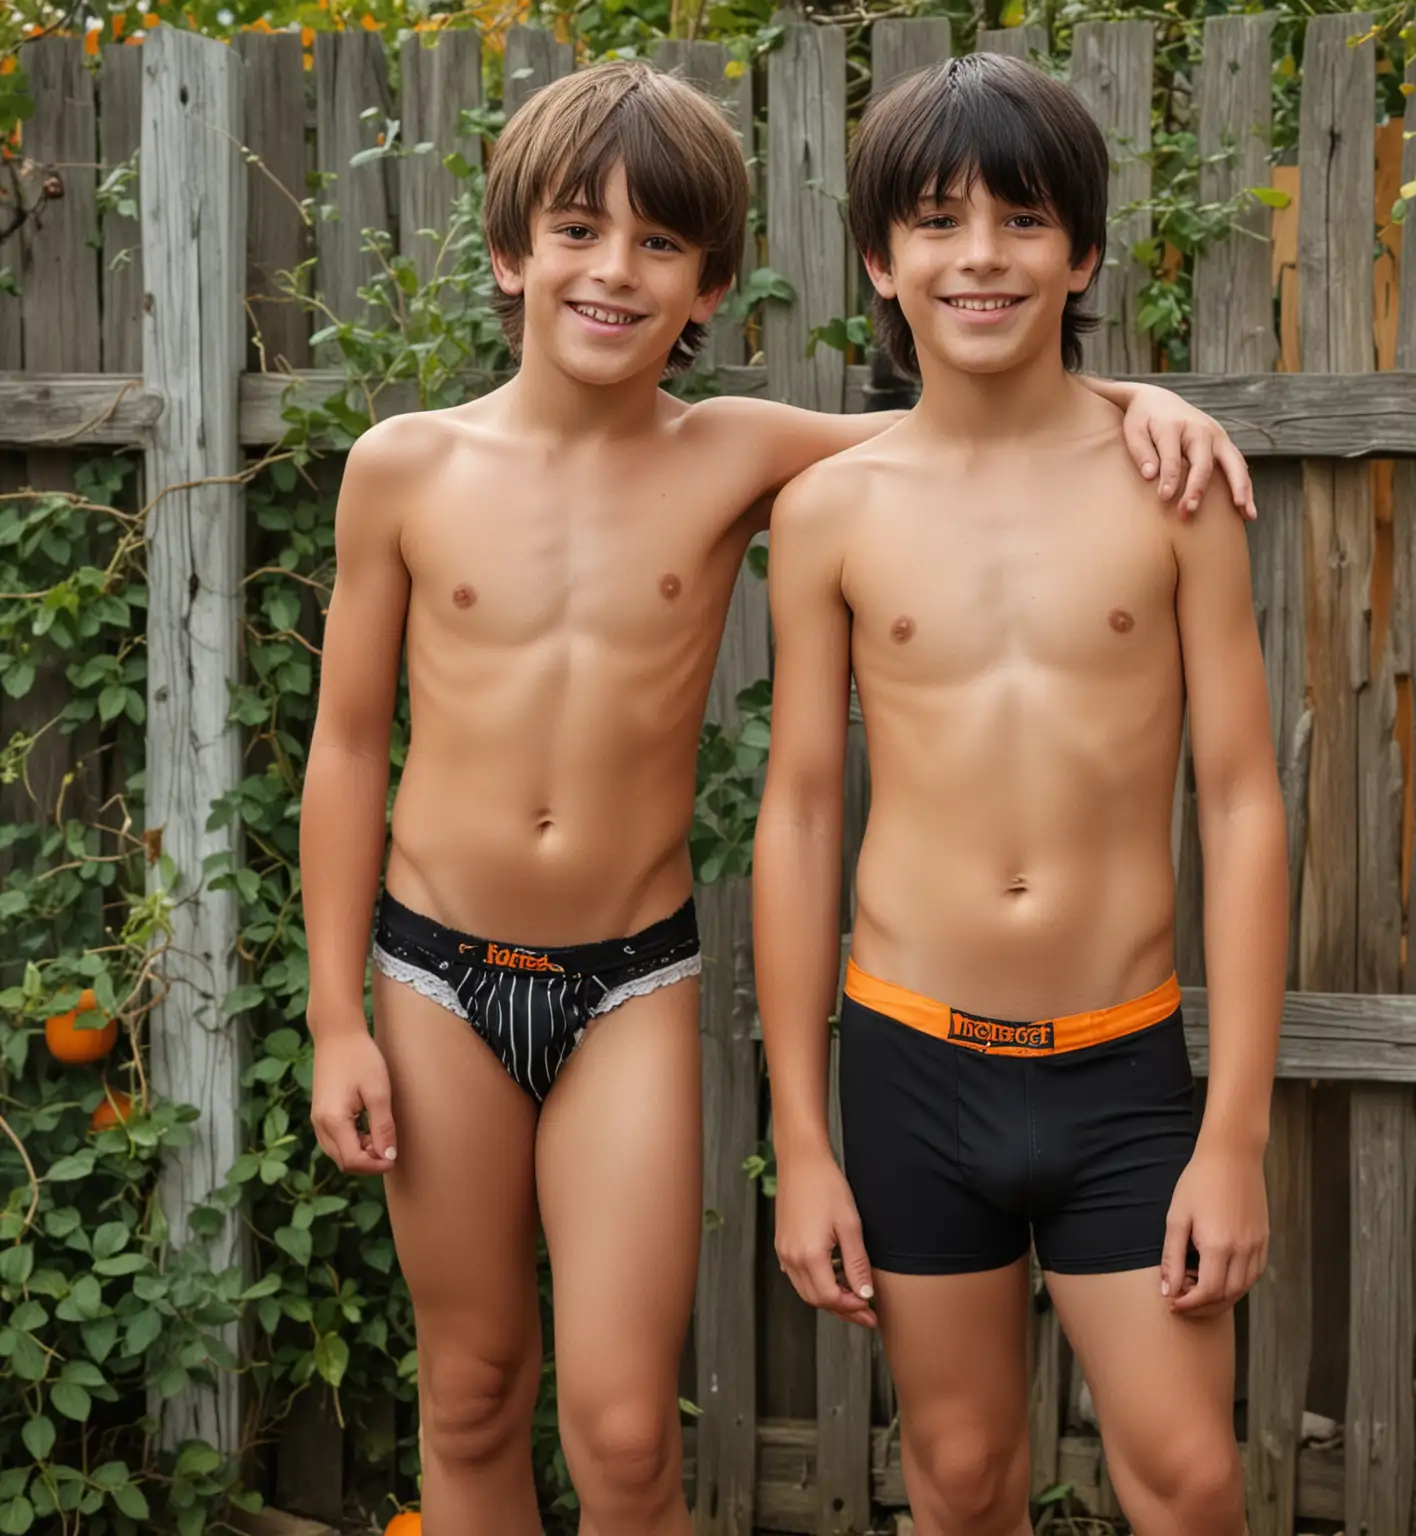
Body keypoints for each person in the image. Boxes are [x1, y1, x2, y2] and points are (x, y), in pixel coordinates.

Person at [299, 57, 1260, 1536]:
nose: (614, 271)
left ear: (709, 288)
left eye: (661, 244)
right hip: (432, 975)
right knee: (474, 1387)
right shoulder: (405, 468)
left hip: (633, 978)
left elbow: (979, 418)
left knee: (625, 1437)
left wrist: (1143, 396)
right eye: (574, 231)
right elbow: (349, 746)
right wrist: (333, 1011)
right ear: (509, 252)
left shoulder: (746, 455)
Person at [754, 53, 1287, 1536]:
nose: (980, 254)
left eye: (1023, 219)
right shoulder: (829, 511)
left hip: (1122, 1070)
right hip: (914, 1064)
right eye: (934, 221)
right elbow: (799, 812)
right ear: (878, 258)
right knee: (961, 1476)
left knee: (1189, 1481)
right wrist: (804, 1139)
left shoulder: (1170, 487)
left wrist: (1231, 1133)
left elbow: (1242, 801)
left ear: (1085, 251)